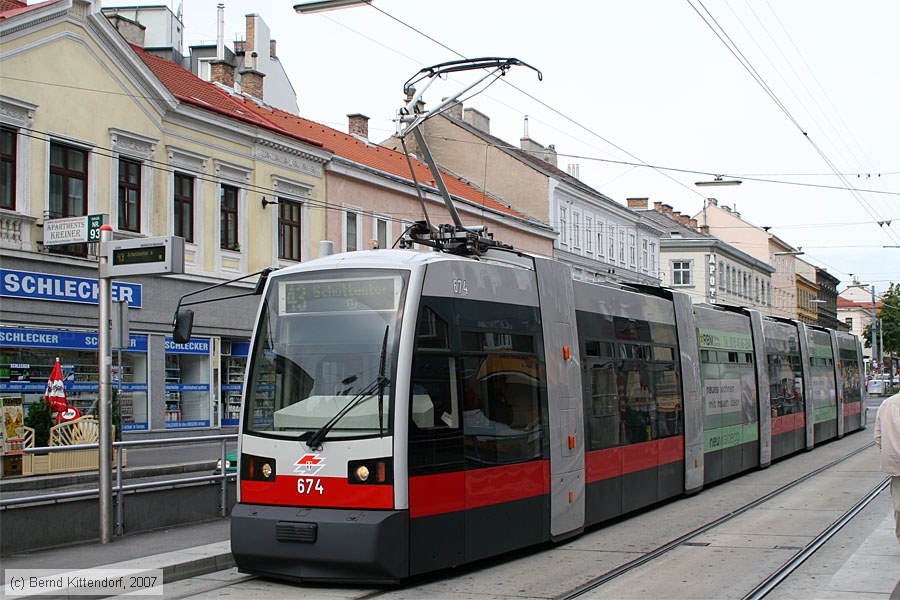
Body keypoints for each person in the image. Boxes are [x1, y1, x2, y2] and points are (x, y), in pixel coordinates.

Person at [874, 389, 900, 543]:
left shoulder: (887, 404)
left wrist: (890, 452)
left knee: (899, 505)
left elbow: (878, 437)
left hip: (896, 464)